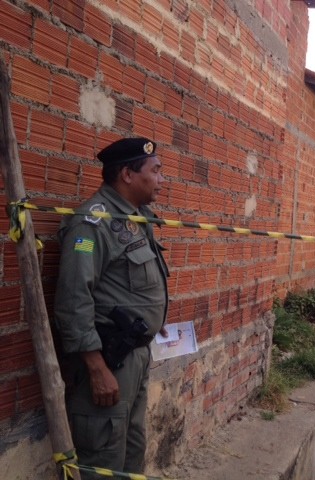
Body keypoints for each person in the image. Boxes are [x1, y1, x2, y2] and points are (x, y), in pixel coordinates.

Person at [54, 137, 169, 477]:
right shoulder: (92, 224)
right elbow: (72, 299)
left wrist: (152, 317)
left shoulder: (137, 217)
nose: (162, 180)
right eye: (156, 171)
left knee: (132, 453)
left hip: (135, 354)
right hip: (108, 361)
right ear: (127, 174)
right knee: (102, 461)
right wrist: (96, 368)